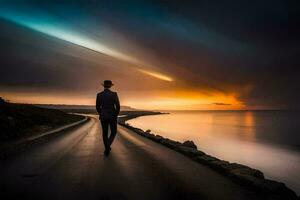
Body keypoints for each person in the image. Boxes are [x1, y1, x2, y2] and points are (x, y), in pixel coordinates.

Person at [96, 80, 120, 156]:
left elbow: (97, 107)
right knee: (114, 132)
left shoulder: (99, 95)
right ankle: (107, 147)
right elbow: (118, 106)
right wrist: (115, 115)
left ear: (104, 86)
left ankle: (107, 147)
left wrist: (101, 113)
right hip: (112, 116)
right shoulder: (114, 94)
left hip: (103, 116)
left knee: (105, 133)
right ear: (110, 86)